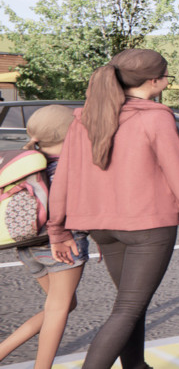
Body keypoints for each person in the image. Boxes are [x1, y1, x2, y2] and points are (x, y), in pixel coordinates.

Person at [46, 49, 179, 369]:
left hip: (103, 229)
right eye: (167, 76)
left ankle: (136, 366)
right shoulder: (155, 116)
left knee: (131, 305)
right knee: (128, 309)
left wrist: (58, 228)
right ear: (155, 81)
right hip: (148, 227)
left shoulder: (85, 117)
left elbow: (64, 176)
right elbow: (178, 172)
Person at [0, 105, 88, 369]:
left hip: (26, 246)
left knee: (63, 304)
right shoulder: (69, 167)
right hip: (60, 245)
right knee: (59, 309)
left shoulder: (26, 161)